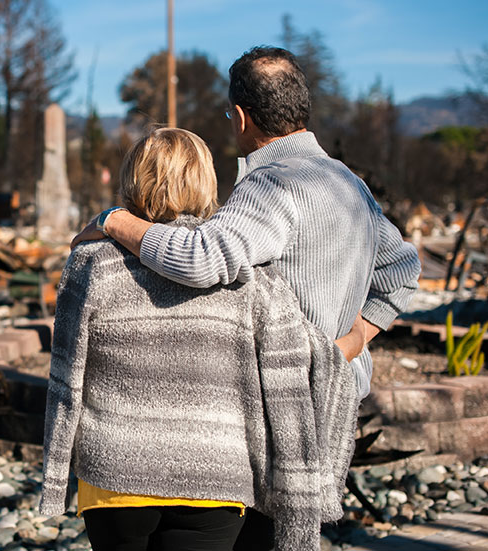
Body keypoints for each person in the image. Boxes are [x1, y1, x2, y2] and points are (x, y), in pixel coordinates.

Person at [71, 48, 421, 546]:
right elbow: (402, 269)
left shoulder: (274, 185)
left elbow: (201, 258)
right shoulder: (349, 184)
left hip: (279, 404)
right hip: (331, 400)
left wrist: (114, 221)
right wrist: (353, 340)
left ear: (239, 116)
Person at [40, 127, 360, 551]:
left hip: (113, 473)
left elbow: (66, 375)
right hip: (216, 478)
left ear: (131, 180)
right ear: (207, 181)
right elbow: (294, 367)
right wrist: (356, 337)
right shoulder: (248, 275)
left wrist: (56, 473)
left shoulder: (90, 261)